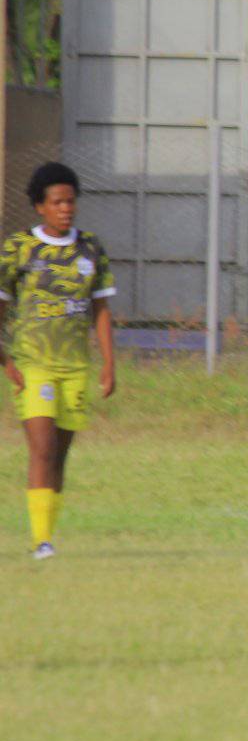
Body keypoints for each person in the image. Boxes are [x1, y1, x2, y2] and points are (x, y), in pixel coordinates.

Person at [0, 163, 116, 560]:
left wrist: (108, 363)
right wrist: (5, 360)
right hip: (33, 363)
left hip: (74, 366)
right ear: (39, 207)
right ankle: (41, 542)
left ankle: (47, 532)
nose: (66, 208)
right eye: (57, 202)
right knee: (43, 448)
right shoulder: (19, 249)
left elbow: (100, 309)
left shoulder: (90, 248)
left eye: (71, 201)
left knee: (60, 455)